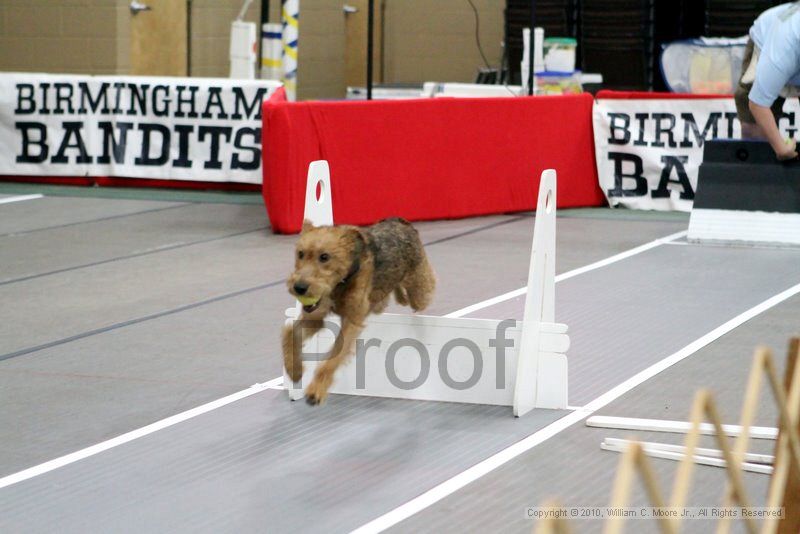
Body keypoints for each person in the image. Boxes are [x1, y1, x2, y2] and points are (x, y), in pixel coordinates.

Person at [735, 2, 800, 160]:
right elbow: (757, 104)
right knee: (755, 129)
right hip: (766, 39)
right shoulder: (780, 53)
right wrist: (783, 150)